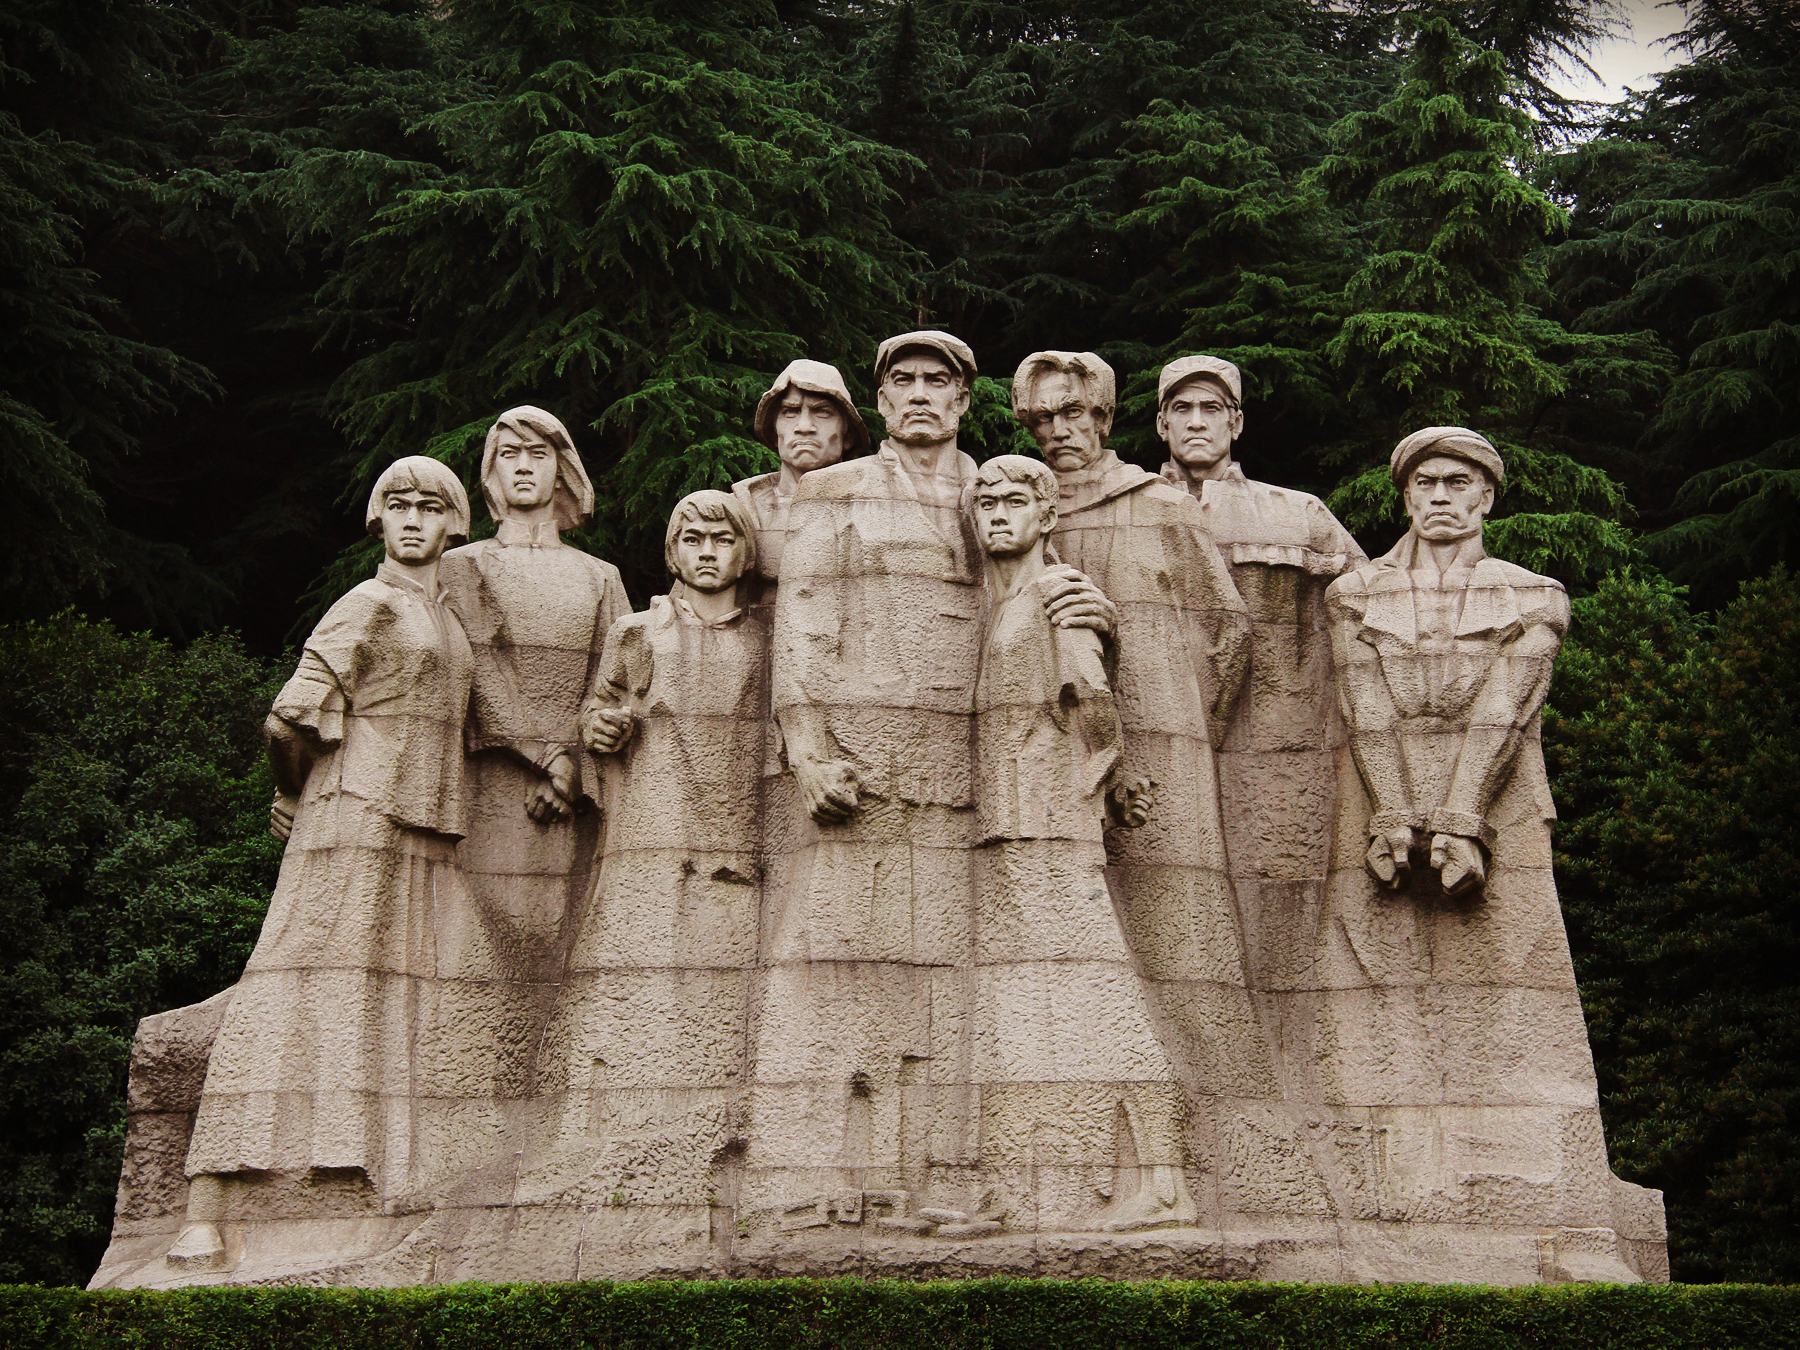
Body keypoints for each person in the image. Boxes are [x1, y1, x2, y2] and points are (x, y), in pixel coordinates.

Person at [750, 331, 1113, 1236]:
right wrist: (807, 747)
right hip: (861, 766)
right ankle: (826, 1176)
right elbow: (802, 625)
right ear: (881, 402)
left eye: (937, 381)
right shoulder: (835, 490)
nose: (919, 394)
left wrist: (1097, 612)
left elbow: (1036, 591)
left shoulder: (1001, 486)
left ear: (961, 399)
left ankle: (946, 1175)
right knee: (842, 968)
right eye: (903, 381)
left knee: (951, 981)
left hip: (973, 768)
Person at [1301, 428, 1643, 1266]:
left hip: (1499, 807)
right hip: (1378, 802)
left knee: (1515, 980)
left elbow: (1505, 713)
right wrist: (1392, 814)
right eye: (1426, 484)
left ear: (1487, 496)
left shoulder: (1534, 594)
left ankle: (1528, 1180)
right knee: (1370, 983)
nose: (1442, 497)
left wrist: (1459, 820)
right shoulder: (1353, 595)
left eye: (1459, 483)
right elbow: (1363, 706)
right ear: (1405, 497)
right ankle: (1380, 1192)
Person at [1013, 350, 1310, 1230]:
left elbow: (1227, 635)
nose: (1058, 432)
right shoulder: (1018, 507)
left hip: (1166, 768)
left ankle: (1241, 1166)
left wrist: (1179, 735)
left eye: (1073, 414)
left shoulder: (1159, 505)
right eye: (1041, 420)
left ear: (1105, 418)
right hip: (1050, 772)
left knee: (1186, 951)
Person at [170, 457, 475, 1271]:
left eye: (430, 506)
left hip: (420, 826)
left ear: (454, 522)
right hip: (356, 813)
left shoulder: (444, 617)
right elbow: (290, 716)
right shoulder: (369, 602)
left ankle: (362, 1171)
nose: (413, 519)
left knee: (379, 998)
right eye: (398, 505)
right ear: (379, 519)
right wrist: (292, 790)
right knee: (297, 982)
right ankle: (212, 1200)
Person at [965, 455, 1195, 1233]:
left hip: (1049, 821)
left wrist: (1100, 777)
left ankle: (1165, 1183)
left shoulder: (1058, 592)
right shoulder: (1005, 599)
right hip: (1013, 823)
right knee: (1039, 1003)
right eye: (986, 503)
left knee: (1103, 996)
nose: (998, 514)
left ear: (1047, 515)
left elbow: (1092, 694)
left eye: (1014, 501)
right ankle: (1030, 1188)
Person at [526, 490, 767, 1223]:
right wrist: (600, 728)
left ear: (745, 553)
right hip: (652, 823)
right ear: (672, 552)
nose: (706, 552)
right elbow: (597, 709)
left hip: (738, 828)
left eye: (721, 540)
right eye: (692, 539)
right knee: (634, 964)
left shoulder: (770, 636)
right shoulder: (638, 632)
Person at [436, 407, 631, 1106]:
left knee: (569, 946)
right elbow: (472, 672)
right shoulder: (460, 567)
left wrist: (576, 766)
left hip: (577, 800)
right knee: (486, 944)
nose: (523, 466)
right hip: (490, 786)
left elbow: (619, 680)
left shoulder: (601, 577)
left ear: (563, 470)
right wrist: (546, 756)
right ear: (489, 474)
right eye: (508, 454)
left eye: (538, 453)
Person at [1153, 355, 1366, 990]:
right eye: (1182, 409)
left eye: (1211, 409)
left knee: (1279, 909)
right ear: (1162, 425)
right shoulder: (1128, 508)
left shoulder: (1296, 513)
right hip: (1160, 744)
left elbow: (1371, 608)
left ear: (1236, 423)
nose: (1197, 422)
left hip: (1280, 749)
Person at [731, 359, 871, 594]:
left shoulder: (873, 504)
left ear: (847, 433)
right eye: (790, 412)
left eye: (822, 412)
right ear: (774, 430)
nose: (804, 426)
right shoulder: (742, 508)